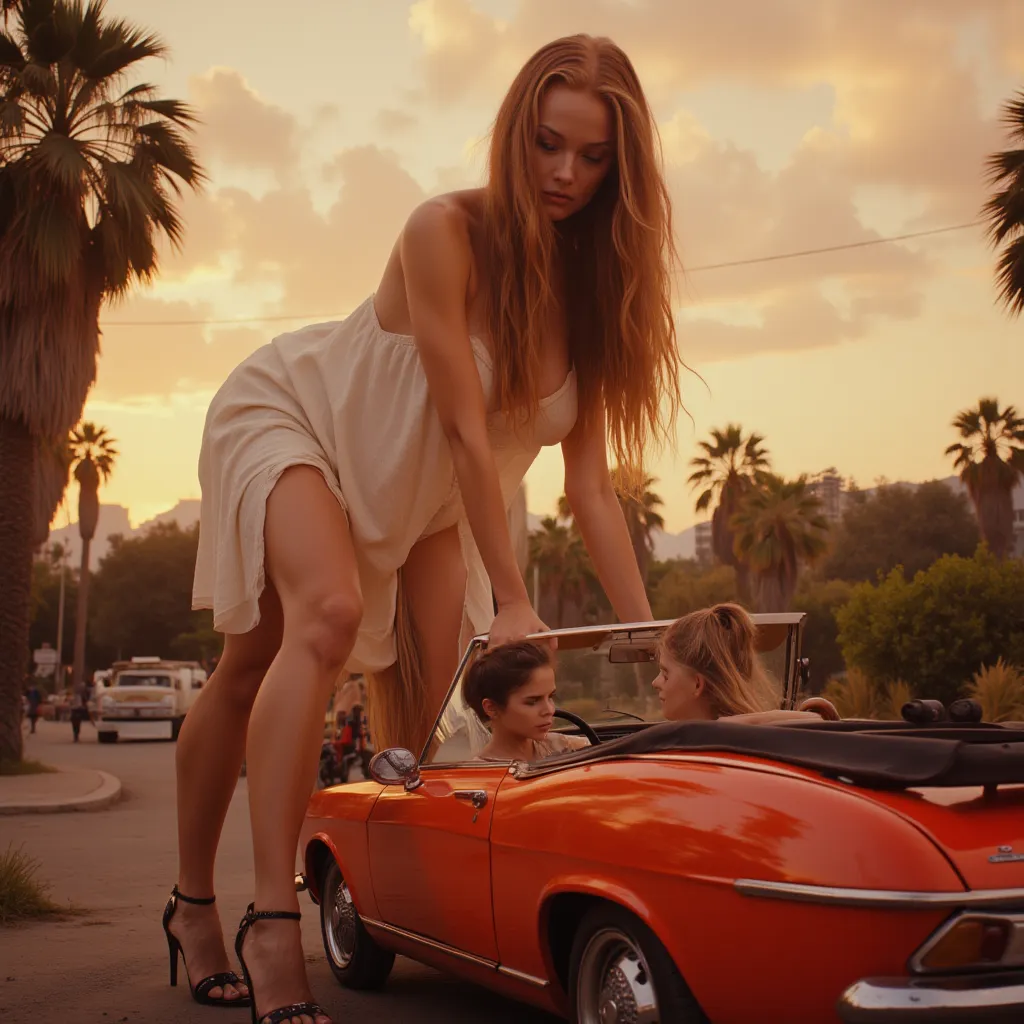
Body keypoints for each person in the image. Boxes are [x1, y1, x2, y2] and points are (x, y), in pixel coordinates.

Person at [169, 33, 682, 1024]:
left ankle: (419, 916)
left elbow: (593, 490)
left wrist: (648, 636)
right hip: (301, 416)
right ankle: (246, 917)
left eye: (592, 155)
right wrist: (519, 594)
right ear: (511, 137)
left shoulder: (599, 291)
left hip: (427, 501)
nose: (565, 173)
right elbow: (457, 423)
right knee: (305, 626)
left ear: (623, 166)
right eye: (546, 144)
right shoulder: (443, 229)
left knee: (448, 690)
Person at [653, 604, 819, 724]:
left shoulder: (674, 747)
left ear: (697, 685)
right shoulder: (761, 739)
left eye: (666, 675)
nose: (655, 683)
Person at [463, 640, 590, 761]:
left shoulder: (565, 747)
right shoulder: (478, 776)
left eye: (550, 697)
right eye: (532, 702)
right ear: (491, 708)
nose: (549, 710)